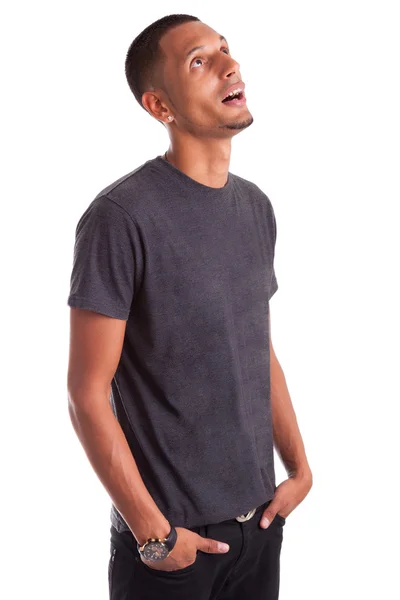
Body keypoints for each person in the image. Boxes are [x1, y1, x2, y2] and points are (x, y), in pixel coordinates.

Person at [66, 13, 313, 600]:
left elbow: (256, 349)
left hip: (259, 527)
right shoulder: (120, 218)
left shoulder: (256, 208)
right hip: (171, 548)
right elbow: (84, 394)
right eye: (199, 61)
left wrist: (299, 469)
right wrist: (153, 534)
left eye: (225, 50)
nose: (230, 65)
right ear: (160, 107)